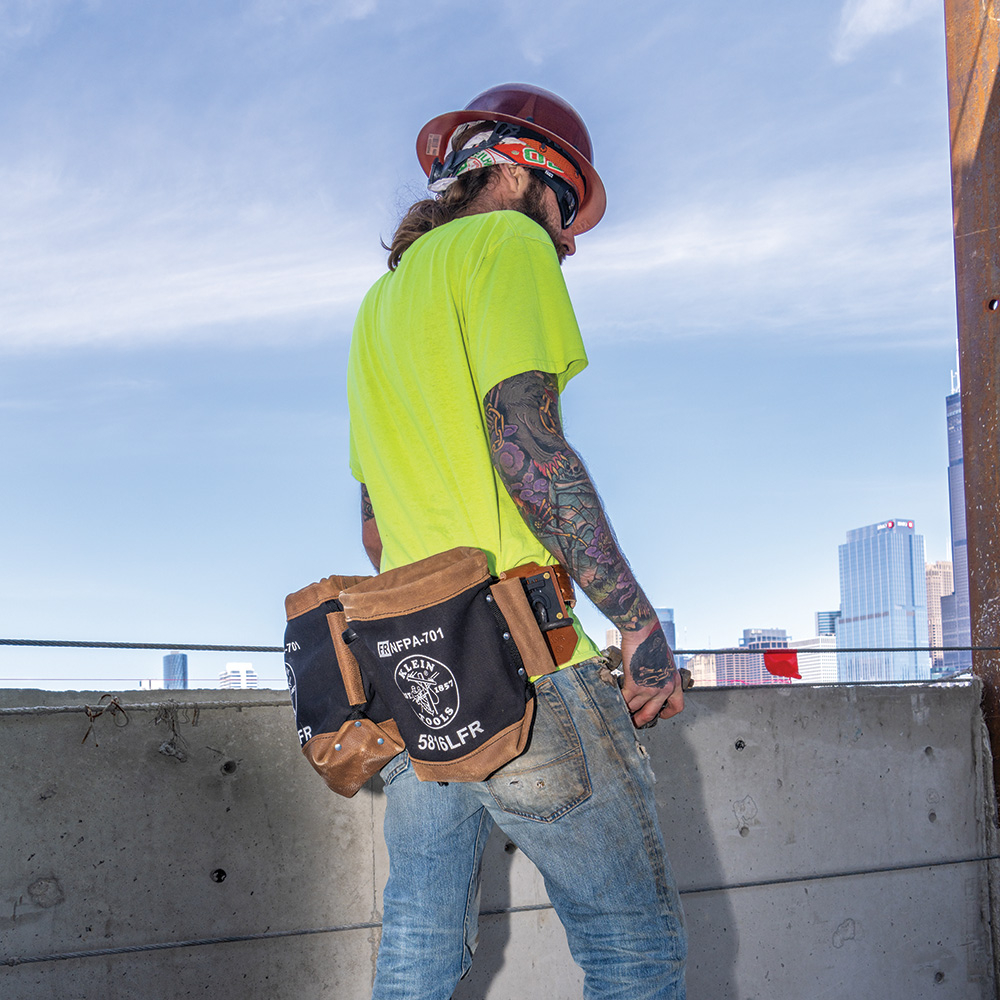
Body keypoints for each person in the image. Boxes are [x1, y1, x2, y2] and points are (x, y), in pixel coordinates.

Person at [347, 83, 687, 1000]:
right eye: (566, 202)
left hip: (420, 672)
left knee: (419, 938)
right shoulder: (508, 243)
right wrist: (639, 627)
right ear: (519, 168)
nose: (569, 235)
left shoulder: (380, 309)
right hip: (526, 661)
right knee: (632, 946)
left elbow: (377, 522)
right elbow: (528, 446)